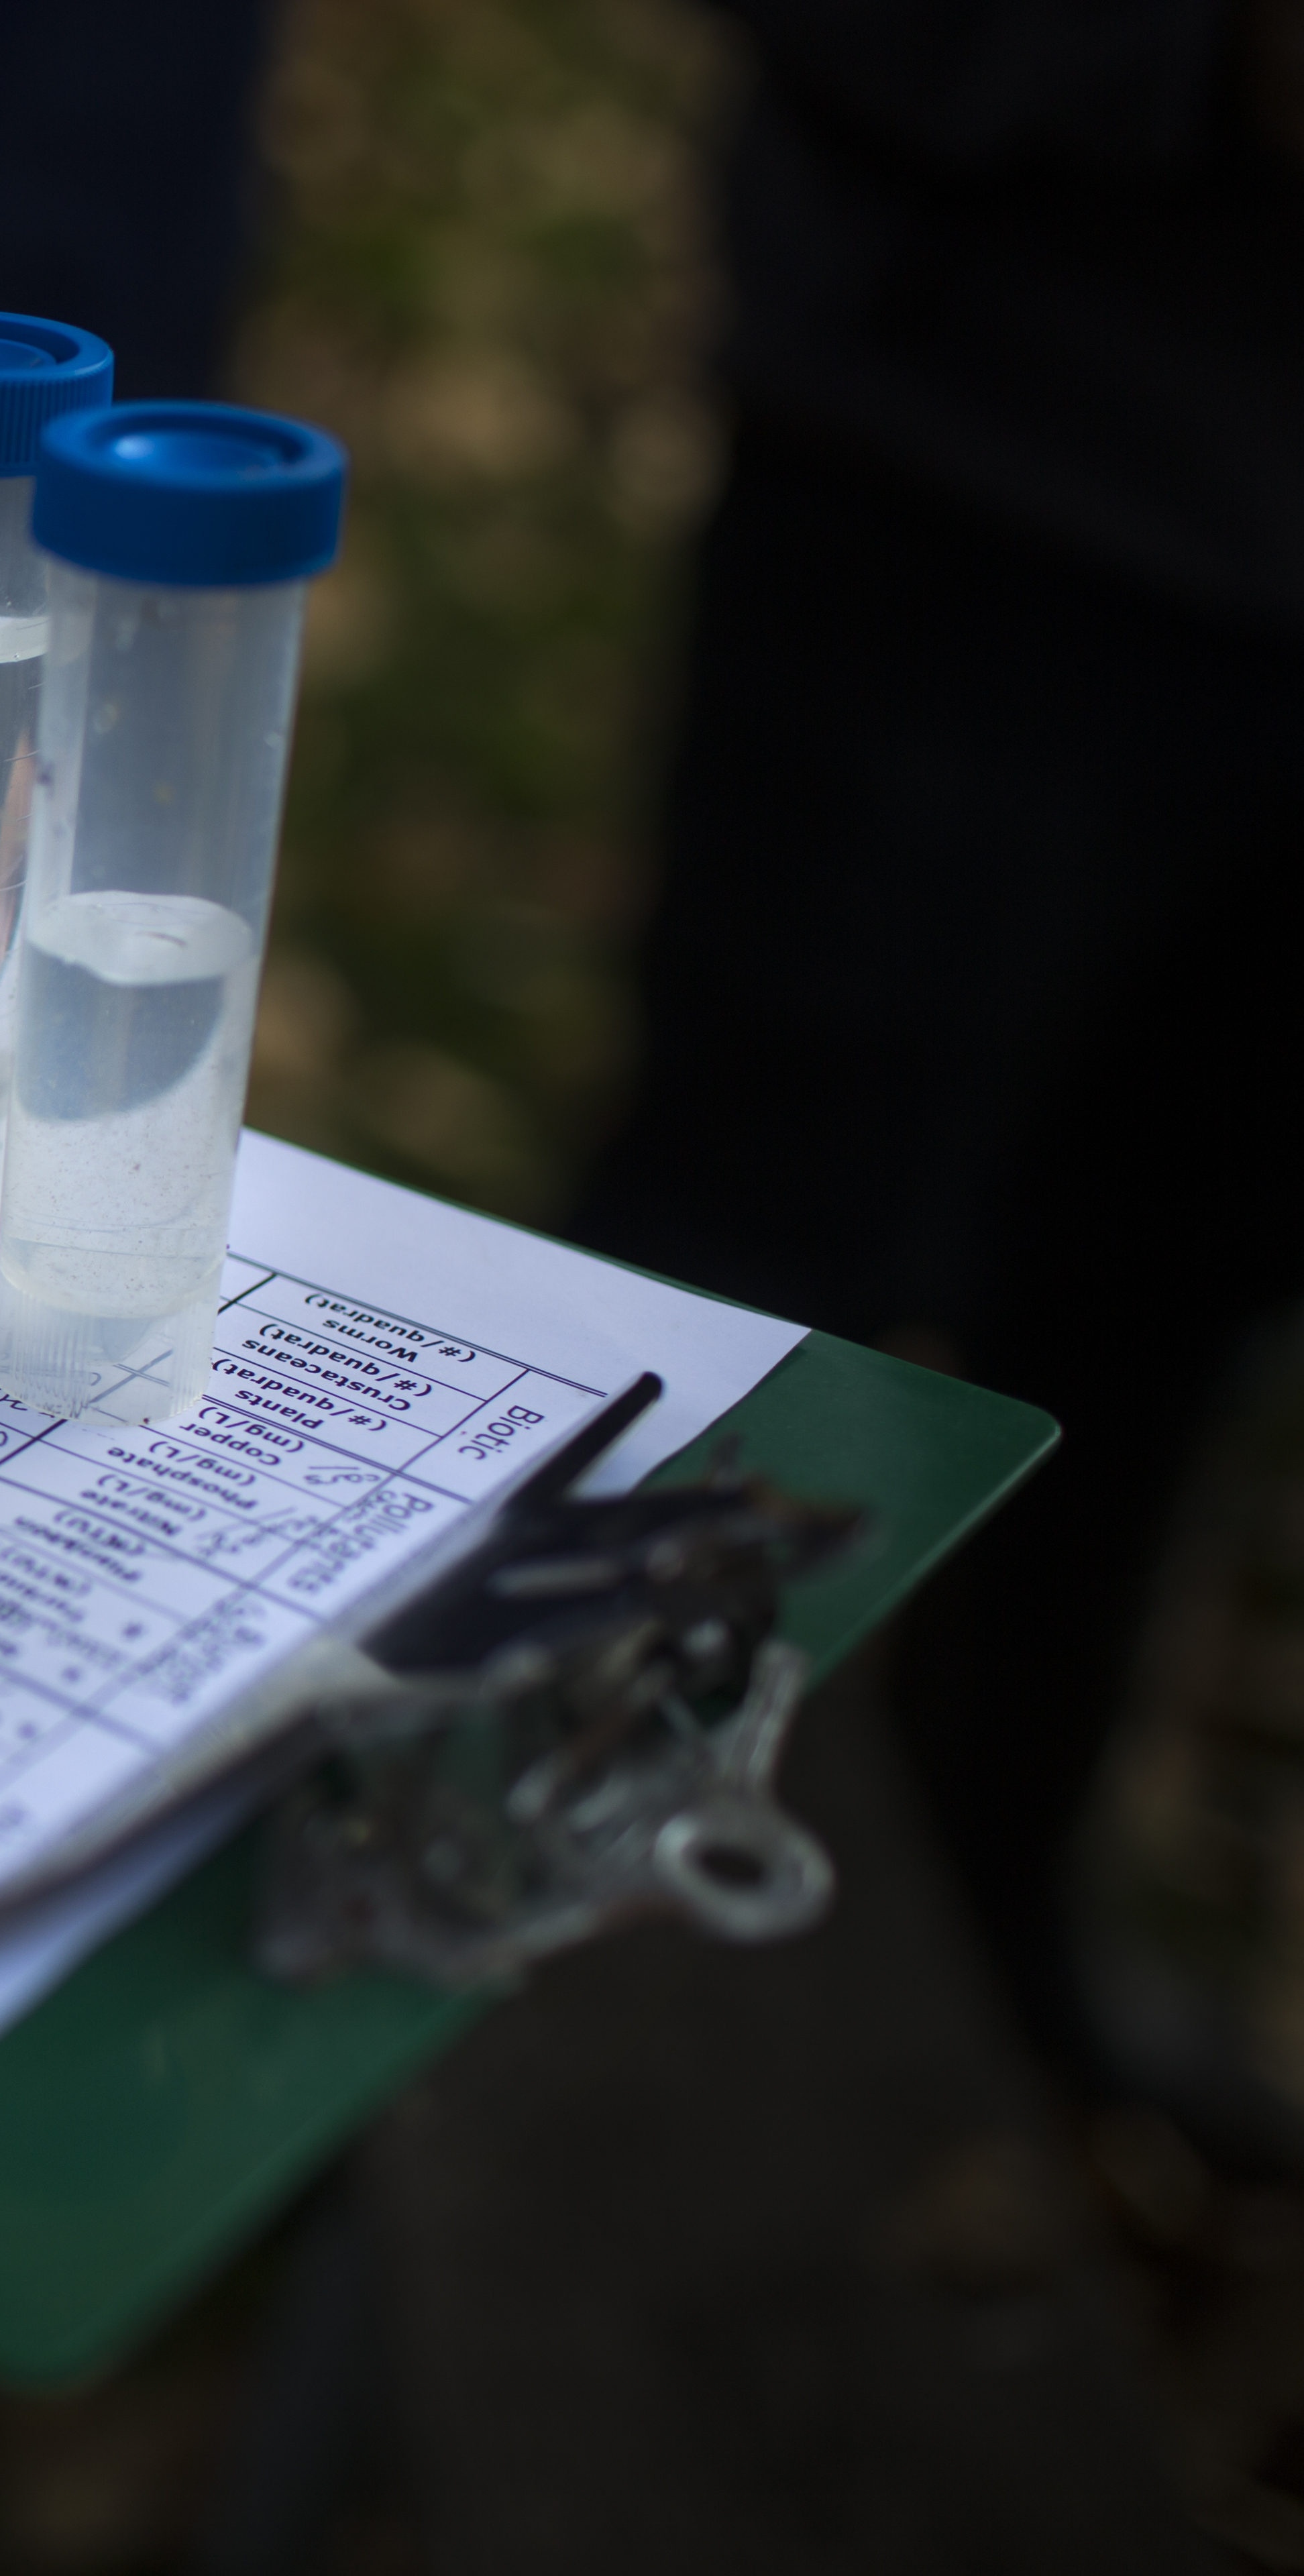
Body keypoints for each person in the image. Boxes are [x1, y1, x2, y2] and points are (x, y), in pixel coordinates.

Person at [574, 0, 1304, 2091]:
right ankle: (461, 1987)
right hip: (976, 486)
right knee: (748, 1313)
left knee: (1156, 1338)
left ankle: (985, 1974)